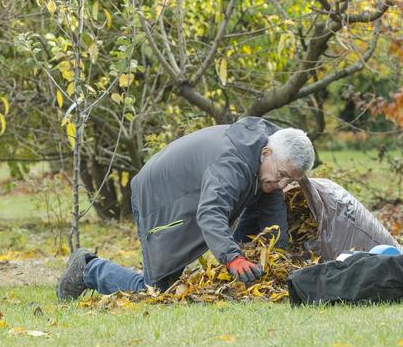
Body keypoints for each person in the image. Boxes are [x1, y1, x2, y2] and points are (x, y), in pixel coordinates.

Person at [55, 116, 315, 301]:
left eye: (289, 180)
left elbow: (271, 208)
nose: (282, 184)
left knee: (261, 203)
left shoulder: (265, 153)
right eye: (281, 175)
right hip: (160, 197)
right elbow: (211, 213)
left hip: (189, 193)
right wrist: (233, 258)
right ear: (267, 153)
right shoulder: (231, 163)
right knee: (157, 289)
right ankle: (89, 268)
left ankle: (243, 273)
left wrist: (279, 255)